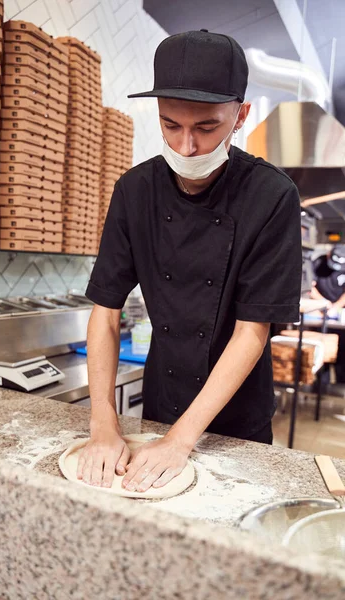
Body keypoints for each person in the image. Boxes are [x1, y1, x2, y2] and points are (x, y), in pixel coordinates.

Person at [78, 30, 302, 492]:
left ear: (240, 115)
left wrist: (182, 441)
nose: (185, 147)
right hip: (162, 405)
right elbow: (105, 312)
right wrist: (103, 423)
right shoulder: (135, 191)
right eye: (170, 125)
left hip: (238, 424)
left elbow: (252, 331)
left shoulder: (272, 196)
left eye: (206, 128)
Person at [311, 244, 345, 382]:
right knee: (322, 355)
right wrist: (324, 303)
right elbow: (310, 287)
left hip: (340, 314)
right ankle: (321, 386)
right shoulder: (317, 263)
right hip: (320, 312)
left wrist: (336, 306)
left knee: (341, 356)